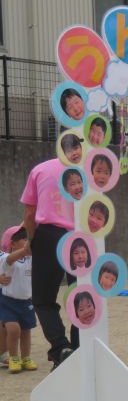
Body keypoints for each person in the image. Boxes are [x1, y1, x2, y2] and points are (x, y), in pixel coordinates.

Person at [21, 156, 77, 369]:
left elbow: (29, 212)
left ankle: (61, 347)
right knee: (81, 297)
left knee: (43, 299)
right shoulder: (89, 168)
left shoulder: (40, 169)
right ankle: (78, 349)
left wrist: (30, 240)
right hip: (80, 237)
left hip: (48, 235)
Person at [0, 226, 37, 373]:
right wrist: (24, 250)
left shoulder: (30, 260)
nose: (27, 241)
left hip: (26, 302)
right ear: (12, 244)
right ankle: (14, 358)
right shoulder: (7, 259)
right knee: (13, 329)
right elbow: (10, 258)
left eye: (28, 239)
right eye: (24, 239)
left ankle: (26, 357)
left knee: (26, 331)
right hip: (8, 302)